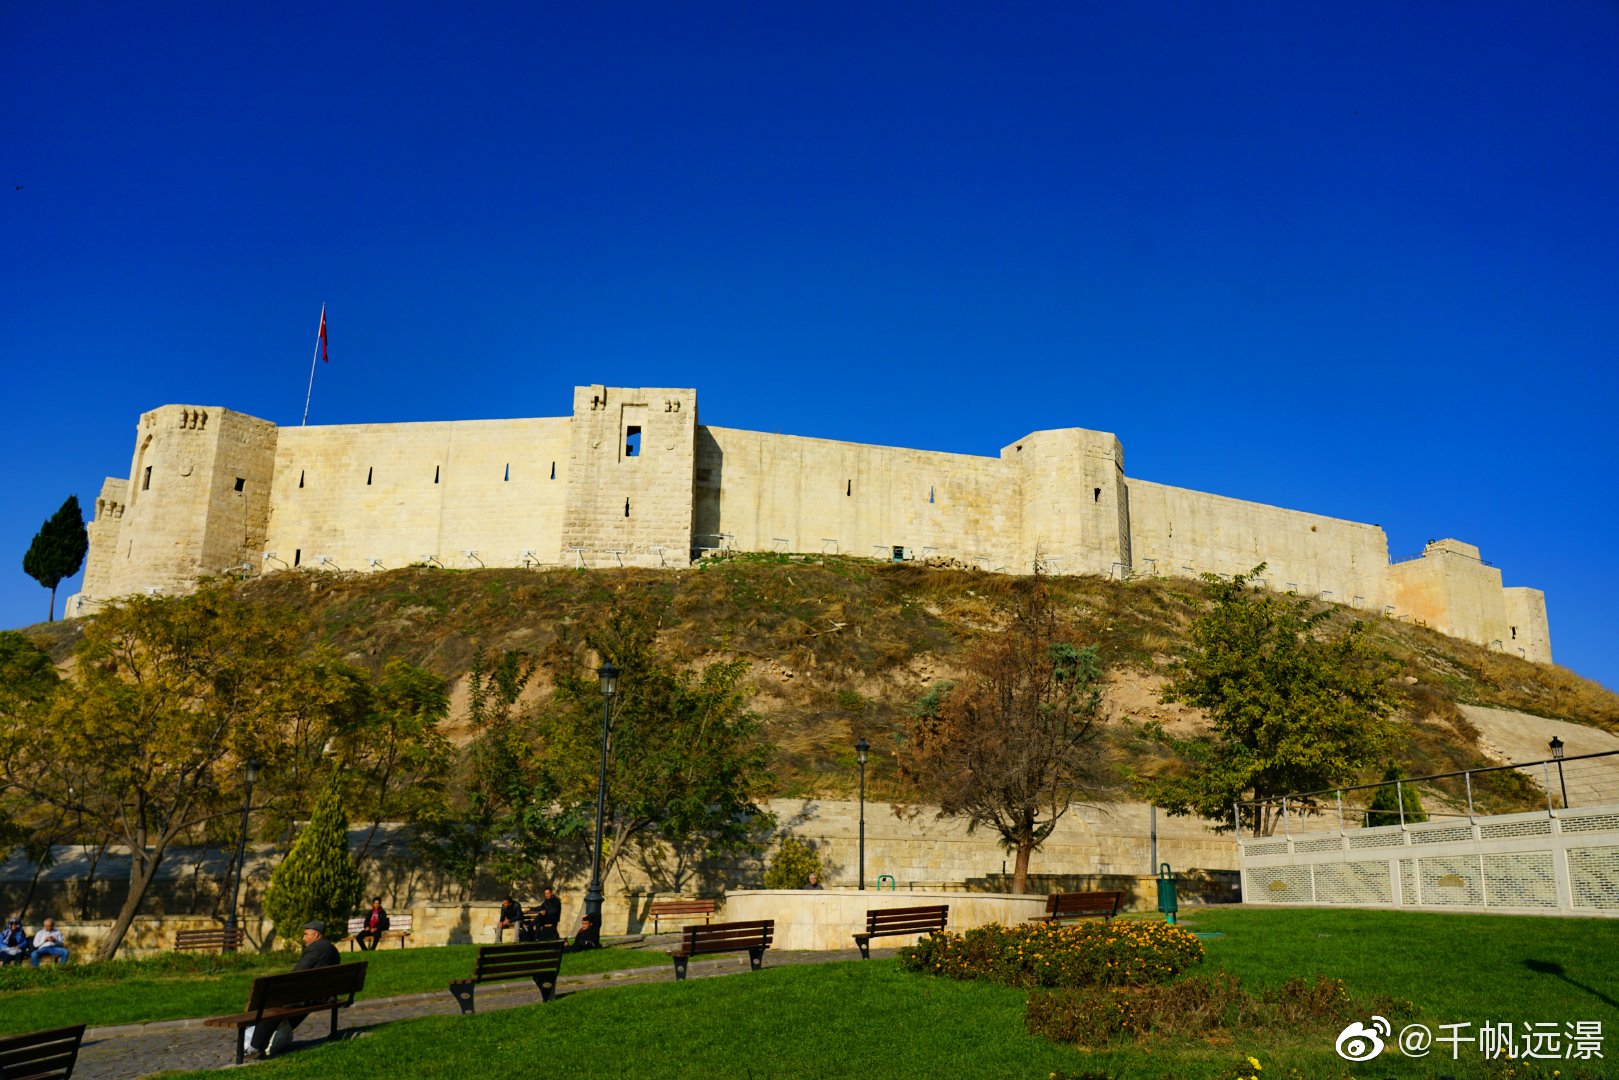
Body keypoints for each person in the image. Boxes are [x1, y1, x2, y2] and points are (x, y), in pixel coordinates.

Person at [247, 920, 341, 1059]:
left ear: (315, 935)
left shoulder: (314, 949)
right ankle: (274, 1039)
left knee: (271, 1006)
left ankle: (255, 1047)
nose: (303, 938)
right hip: (325, 995)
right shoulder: (332, 949)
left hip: (309, 996)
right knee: (284, 1005)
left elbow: (296, 975)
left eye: (305, 934)